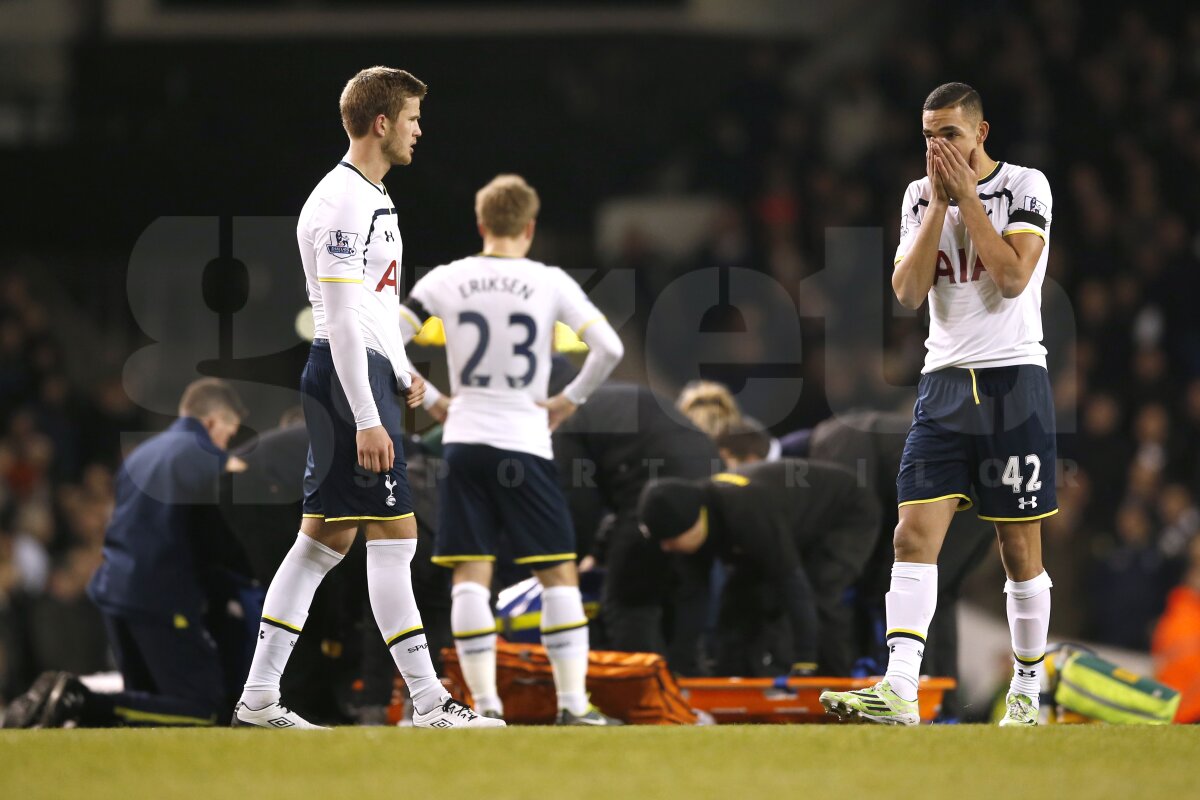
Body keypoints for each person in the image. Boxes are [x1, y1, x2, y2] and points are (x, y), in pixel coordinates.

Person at [233, 66, 501, 729]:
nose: (419, 129)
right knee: (395, 539)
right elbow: (343, 319)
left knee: (321, 544)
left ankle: (259, 698)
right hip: (345, 381)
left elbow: (373, 306)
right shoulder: (343, 203)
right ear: (381, 123)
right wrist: (367, 415)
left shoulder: (368, 195)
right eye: (411, 118)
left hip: (362, 375)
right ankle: (430, 700)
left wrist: (403, 367)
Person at [820, 82, 1058, 726]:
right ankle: (900, 688)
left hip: (1013, 382)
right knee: (911, 534)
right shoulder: (918, 195)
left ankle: (1029, 690)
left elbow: (1011, 278)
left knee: (1019, 551)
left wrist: (969, 201)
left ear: (980, 133)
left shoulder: (1026, 185)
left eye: (949, 134)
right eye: (928, 136)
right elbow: (906, 291)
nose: (936, 148)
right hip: (945, 384)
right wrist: (936, 209)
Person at [397, 174, 625, 724]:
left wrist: (428, 398)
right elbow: (609, 347)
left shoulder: (449, 278)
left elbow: (385, 339)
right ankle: (573, 705)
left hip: (464, 438)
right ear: (529, 228)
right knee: (557, 574)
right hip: (524, 440)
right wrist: (569, 399)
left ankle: (485, 707)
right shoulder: (548, 281)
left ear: (481, 225)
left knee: (470, 573)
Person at [1, 378, 252, 729]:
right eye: (228, 432)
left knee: (152, 708)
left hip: (116, 593)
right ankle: (76, 700)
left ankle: (60, 700)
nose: (226, 442)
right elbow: (214, 531)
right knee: (204, 708)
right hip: (160, 598)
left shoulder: (142, 454)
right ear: (212, 421)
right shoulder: (199, 452)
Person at [638, 459, 880, 676]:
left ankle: (832, 683)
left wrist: (804, 660)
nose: (665, 548)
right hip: (790, 520)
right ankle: (733, 680)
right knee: (738, 601)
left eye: (669, 540)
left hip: (846, 511)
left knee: (821, 591)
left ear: (693, 524)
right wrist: (680, 666)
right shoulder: (691, 513)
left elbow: (793, 585)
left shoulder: (745, 512)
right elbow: (693, 598)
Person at [550, 373, 720, 662]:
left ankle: (646, 694)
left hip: (657, 498)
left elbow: (580, 505)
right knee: (687, 591)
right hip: (709, 487)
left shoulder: (568, 422)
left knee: (628, 601)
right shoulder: (621, 396)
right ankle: (688, 679)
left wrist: (576, 558)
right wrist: (603, 550)